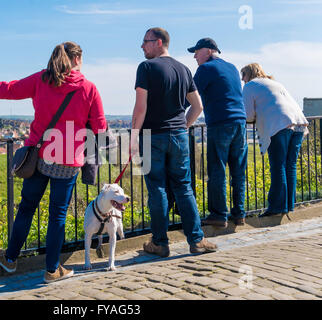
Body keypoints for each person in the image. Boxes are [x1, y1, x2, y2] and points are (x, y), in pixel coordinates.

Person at [0, 41, 107, 283]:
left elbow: (9, 89)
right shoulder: (89, 88)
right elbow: (101, 128)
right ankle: (52, 270)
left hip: (41, 155)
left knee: (27, 208)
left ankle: (10, 258)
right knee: (57, 216)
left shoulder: (42, 80)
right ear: (77, 60)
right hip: (68, 160)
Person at [131, 27, 217, 257]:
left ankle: (160, 242)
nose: (142, 46)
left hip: (151, 136)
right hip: (178, 135)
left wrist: (133, 137)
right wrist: (184, 127)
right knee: (183, 187)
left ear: (158, 42)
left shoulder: (146, 67)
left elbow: (141, 107)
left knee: (157, 188)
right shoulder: (184, 69)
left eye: (145, 41)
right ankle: (196, 240)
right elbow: (197, 106)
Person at [188, 38, 247, 227]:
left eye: (196, 52)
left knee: (217, 170)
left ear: (207, 50)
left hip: (220, 123)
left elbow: (189, 95)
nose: (195, 56)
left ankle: (219, 215)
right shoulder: (231, 67)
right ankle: (239, 214)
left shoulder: (206, 69)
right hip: (240, 123)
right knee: (238, 171)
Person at [241, 63, 308, 218]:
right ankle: (288, 205)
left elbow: (248, 115)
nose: (242, 80)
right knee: (290, 166)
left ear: (248, 74)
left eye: (243, 76)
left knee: (278, 166)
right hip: (299, 122)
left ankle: (277, 207)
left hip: (280, 125)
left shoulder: (250, 86)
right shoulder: (274, 82)